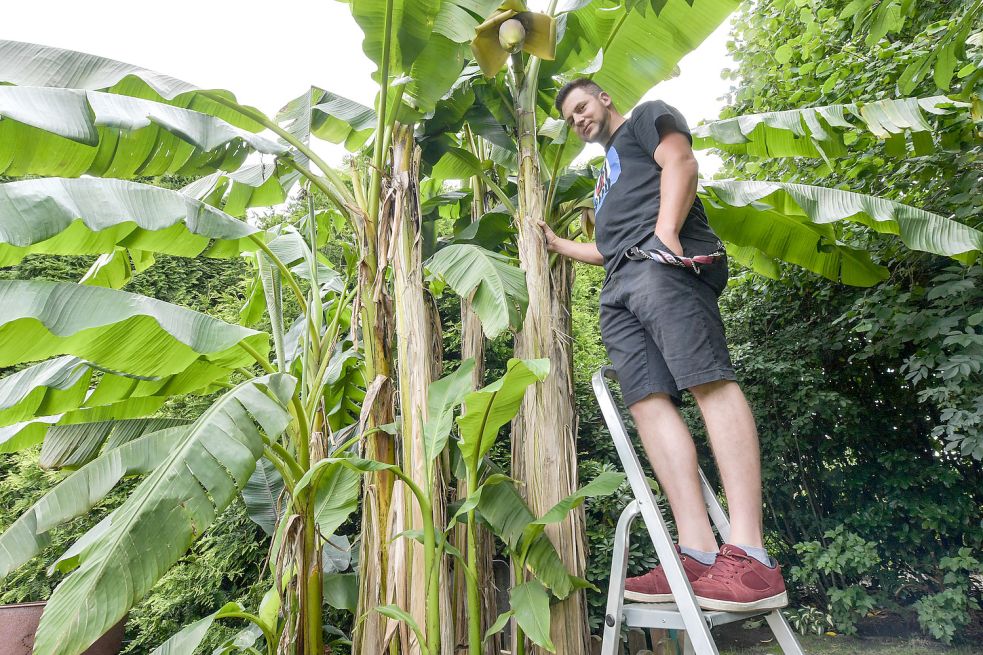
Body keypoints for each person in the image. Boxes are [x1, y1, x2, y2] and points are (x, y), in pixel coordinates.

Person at [543, 78, 787, 612]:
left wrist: (667, 235)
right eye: (570, 119)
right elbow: (610, 245)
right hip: (620, 285)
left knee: (707, 381)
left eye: (582, 107)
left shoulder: (646, 116)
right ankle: (697, 552)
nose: (579, 119)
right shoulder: (604, 177)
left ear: (604, 97)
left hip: (661, 265)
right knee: (648, 404)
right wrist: (560, 245)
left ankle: (751, 555)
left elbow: (681, 164)